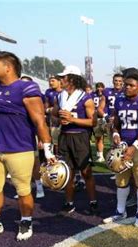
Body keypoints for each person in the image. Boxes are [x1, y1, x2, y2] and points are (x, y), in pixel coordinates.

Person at [0, 51, 55, 242]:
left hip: (20, 147)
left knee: (23, 189)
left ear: (8, 67)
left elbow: (39, 121)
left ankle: (25, 221)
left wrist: (47, 150)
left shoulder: (26, 88)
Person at [103, 70, 138, 227]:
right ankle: (120, 211)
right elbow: (115, 124)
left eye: (131, 85)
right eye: (125, 84)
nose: (127, 87)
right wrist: (115, 135)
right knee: (121, 180)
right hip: (122, 146)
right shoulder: (119, 101)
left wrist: (134, 146)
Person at [52, 66, 98, 217]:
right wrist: (60, 119)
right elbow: (54, 115)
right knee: (67, 171)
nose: (61, 80)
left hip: (80, 136)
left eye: (64, 77)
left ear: (72, 79)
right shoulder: (59, 96)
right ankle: (69, 202)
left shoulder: (85, 98)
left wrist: (72, 119)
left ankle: (93, 201)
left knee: (86, 171)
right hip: (64, 136)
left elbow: (93, 122)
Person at [91, 82, 107, 162]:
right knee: (99, 137)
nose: (99, 89)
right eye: (98, 87)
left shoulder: (106, 95)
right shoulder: (92, 95)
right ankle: (100, 154)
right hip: (96, 117)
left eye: (101, 87)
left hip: (106, 118)